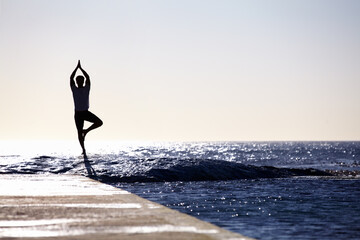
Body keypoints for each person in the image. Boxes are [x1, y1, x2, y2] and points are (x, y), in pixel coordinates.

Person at [70, 60, 103, 155]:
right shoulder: (74, 89)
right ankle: (83, 150)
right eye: (78, 81)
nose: (79, 82)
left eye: (81, 80)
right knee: (79, 132)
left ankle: (86, 131)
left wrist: (81, 69)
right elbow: (71, 78)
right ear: (76, 82)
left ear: (83, 81)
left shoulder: (86, 88)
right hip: (78, 114)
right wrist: (76, 68)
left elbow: (88, 77)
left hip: (85, 112)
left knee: (99, 122)